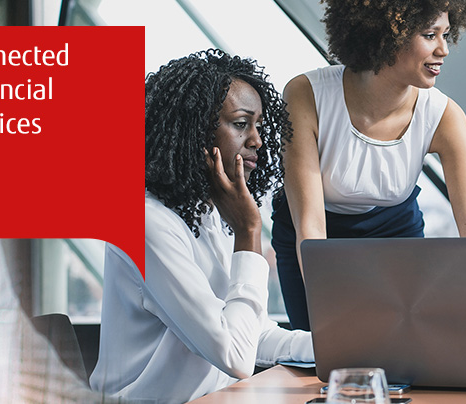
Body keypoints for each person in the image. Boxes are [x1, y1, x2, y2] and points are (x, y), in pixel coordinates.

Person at [273, 0, 466, 357]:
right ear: (386, 32)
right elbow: (311, 229)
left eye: (447, 34)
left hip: (395, 236)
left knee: (407, 358)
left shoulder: (445, 116)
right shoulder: (305, 95)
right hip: (310, 240)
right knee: (323, 356)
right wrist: (332, 323)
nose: (444, 49)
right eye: (429, 34)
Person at [90, 49, 313, 403]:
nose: (256, 140)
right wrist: (249, 232)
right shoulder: (145, 223)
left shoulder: (208, 212)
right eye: (241, 124)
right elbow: (236, 355)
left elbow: (253, 334)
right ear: (194, 131)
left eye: (259, 126)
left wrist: (348, 347)